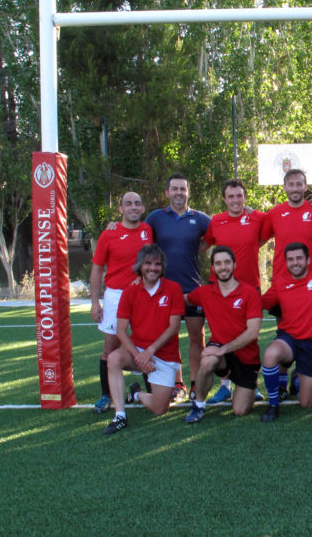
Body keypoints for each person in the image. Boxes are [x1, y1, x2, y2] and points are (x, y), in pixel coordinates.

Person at [260, 169, 312, 402]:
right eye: (290, 184)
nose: (295, 188)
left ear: (305, 186)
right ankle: (280, 385)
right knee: (284, 331)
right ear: (284, 188)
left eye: (299, 184)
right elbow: (258, 239)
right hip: (283, 283)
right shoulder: (275, 213)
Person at [103, 244, 184, 435]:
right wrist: (139, 355)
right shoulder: (130, 291)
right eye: (148, 263)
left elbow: (174, 327)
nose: (152, 268)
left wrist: (149, 352)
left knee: (160, 410)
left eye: (157, 264)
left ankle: (136, 393)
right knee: (113, 358)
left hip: (163, 355)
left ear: (162, 267)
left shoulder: (173, 289)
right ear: (140, 266)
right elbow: (121, 330)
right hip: (137, 352)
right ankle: (120, 416)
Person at [144, 173, 211, 402]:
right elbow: (138, 236)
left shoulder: (200, 219)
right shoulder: (155, 218)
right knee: (168, 339)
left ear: (188, 192)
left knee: (197, 338)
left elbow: (216, 235)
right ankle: (177, 384)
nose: (179, 193)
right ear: (167, 192)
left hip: (192, 289)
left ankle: (195, 384)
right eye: (175, 189)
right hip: (164, 290)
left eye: (183, 189)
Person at [202, 179, 268, 405]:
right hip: (221, 289)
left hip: (249, 287)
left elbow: (265, 236)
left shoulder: (257, 218)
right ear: (224, 199)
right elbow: (205, 244)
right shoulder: (216, 221)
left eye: (239, 195)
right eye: (231, 196)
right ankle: (225, 386)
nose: (235, 200)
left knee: (252, 337)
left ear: (245, 197)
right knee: (222, 334)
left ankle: (252, 385)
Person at [88, 191, 153, 414]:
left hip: (143, 296)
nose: (133, 207)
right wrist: (95, 302)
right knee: (110, 347)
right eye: (128, 204)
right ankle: (106, 395)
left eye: (137, 203)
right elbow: (97, 269)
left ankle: (150, 390)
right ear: (120, 209)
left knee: (146, 342)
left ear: (143, 208)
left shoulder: (148, 230)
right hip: (116, 297)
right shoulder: (109, 234)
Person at [182, 246, 263, 423]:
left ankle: (247, 387)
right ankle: (199, 406)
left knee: (240, 410)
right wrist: (145, 283)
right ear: (213, 268)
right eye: (218, 263)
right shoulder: (205, 292)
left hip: (247, 358)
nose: (223, 267)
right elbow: (181, 298)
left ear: (234, 265)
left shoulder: (250, 293)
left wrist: (223, 348)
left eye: (227, 262)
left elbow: (253, 332)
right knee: (207, 359)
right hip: (221, 355)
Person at [259, 242, 312, 422]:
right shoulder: (280, 283)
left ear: (308, 260)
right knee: (270, 354)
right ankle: (273, 405)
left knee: (305, 403)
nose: (295, 263)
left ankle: (297, 377)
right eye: (291, 259)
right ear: (286, 262)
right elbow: (263, 303)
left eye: (299, 258)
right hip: (289, 339)